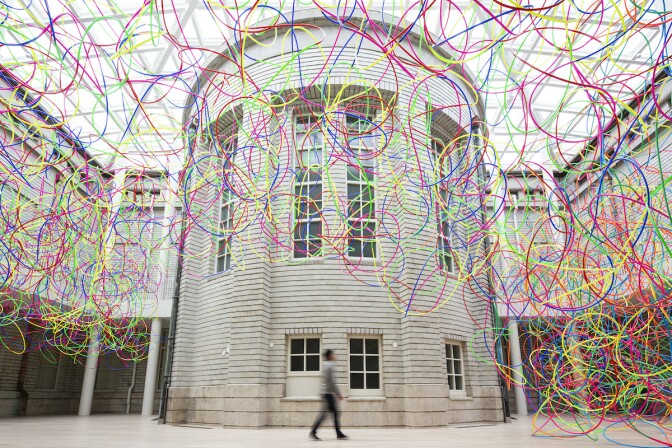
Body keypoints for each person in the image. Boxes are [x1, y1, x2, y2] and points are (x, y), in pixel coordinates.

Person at [310, 349, 348, 440]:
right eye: (333, 354)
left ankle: (337, 433)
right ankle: (314, 431)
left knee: (331, 413)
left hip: (327, 393)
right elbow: (332, 382)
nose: (335, 356)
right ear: (330, 356)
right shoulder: (330, 366)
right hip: (328, 394)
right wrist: (338, 393)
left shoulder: (327, 365)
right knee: (330, 414)